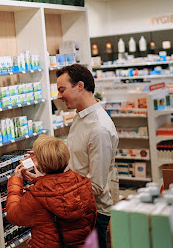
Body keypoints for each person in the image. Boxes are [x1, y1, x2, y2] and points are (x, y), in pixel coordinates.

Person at [56, 64, 118, 248]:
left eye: (62, 90)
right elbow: (77, 162)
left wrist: (58, 194)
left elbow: (97, 185)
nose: (59, 96)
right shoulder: (80, 116)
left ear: (80, 86)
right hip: (77, 209)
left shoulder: (98, 128)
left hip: (93, 215)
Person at [6, 135, 97, 248]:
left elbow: (13, 215)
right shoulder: (83, 183)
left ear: (42, 167)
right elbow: (91, 218)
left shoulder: (35, 196)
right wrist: (39, 180)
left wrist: (16, 182)